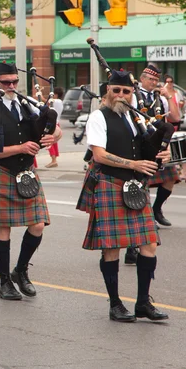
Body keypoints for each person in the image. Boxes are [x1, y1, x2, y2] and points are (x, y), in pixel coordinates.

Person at [77, 69, 169, 323]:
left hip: (135, 187)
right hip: (110, 182)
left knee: (149, 243)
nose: (120, 95)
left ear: (132, 94)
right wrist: (135, 165)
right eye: (116, 90)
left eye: (126, 91)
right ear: (108, 89)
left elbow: (147, 149)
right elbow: (99, 155)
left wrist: (163, 155)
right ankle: (115, 304)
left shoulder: (135, 118)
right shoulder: (98, 117)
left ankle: (142, 303)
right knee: (112, 249)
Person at [0, 61, 61, 301]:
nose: (11, 86)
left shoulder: (27, 104)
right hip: (1, 171)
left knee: (38, 225)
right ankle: (4, 282)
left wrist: (52, 136)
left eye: (14, 81)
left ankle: (20, 270)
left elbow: (56, 129)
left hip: (26, 172)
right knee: (4, 229)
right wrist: (20, 147)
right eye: (6, 82)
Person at [134, 64, 180, 228]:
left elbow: (174, 117)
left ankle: (156, 210)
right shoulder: (132, 95)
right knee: (142, 182)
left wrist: (168, 97)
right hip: (140, 143)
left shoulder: (159, 97)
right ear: (142, 78)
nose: (153, 82)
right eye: (150, 79)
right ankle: (145, 218)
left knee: (171, 177)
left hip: (159, 143)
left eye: (156, 80)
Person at [46, 86, 64, 168]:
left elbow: (45, 101)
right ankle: (54, 159)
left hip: (52, 123)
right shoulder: (60, 102)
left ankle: (53, 160)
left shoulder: (56, 101)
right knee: (54, 142)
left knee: (49, 141)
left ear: (56, 94)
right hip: (57, 123)